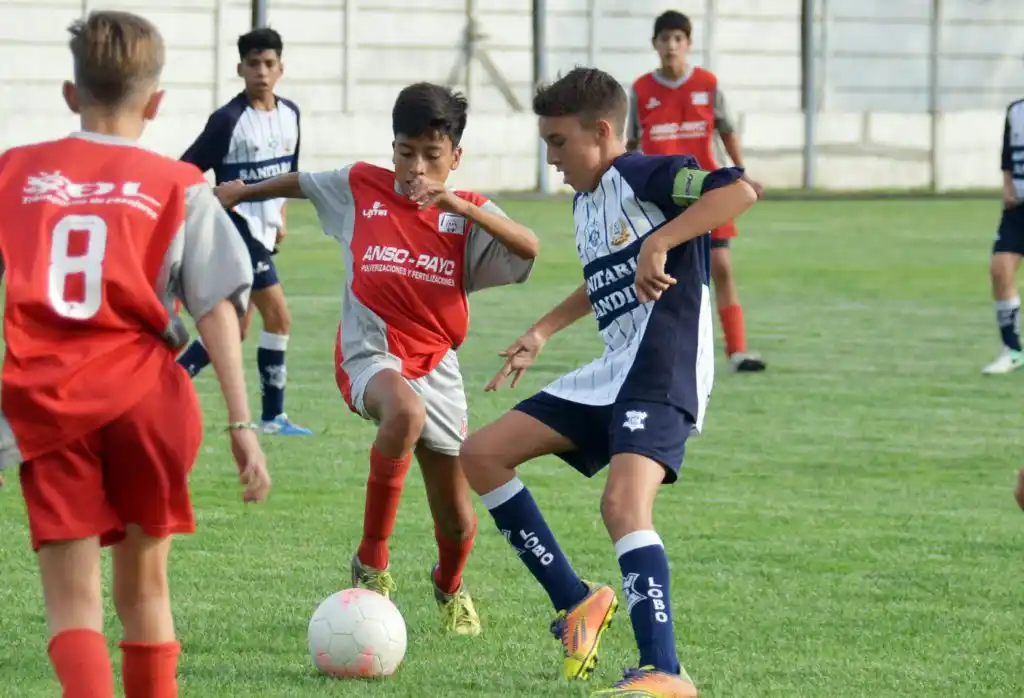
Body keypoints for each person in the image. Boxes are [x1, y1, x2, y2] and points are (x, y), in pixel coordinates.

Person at [459, 67, 757, 697]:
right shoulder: (587, 200)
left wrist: (665, 240)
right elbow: (607, 277)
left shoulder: (644, 173)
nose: (552, 158)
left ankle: (665, 672)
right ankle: (575, 604)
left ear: (601, 131)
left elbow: (737, 191)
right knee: (482, 454)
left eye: (559, 143)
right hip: (614, 369)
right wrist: (543, 329)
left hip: (663, 365)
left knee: (622, 504)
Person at [0, 11, 271, 698]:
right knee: (146, 590)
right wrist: (244, 425)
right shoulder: (179, 184)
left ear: (70, 93)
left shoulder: (15, 172)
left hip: (48, 401)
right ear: (155, 104)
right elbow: (218, 310)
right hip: (149, 401)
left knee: (73, 603)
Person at [214, 82, 539, 636]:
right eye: (405, 152)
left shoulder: (468, 215)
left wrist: (456, 204)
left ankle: (449, 586)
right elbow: (304, 181)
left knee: (458, 522)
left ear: (454, 158)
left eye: (432, 156)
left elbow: (528, 245)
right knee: (404, 414)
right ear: (392, 148)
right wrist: (243, 192)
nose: (416, 168)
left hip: (436, 368)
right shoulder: (362, 186)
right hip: (370, 355)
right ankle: (371, 564)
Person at [174, 27, 312, 434]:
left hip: (264, 231)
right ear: (240, 68)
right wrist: (209, 204)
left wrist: (281, 214)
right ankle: (273, 417)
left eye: (269, 64)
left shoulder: (291, 115)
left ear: (281, 68)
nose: (261, 72)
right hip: (236, 230)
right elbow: (184, 171)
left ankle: (169, 383)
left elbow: (288, 171)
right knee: (279, 317)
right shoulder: (227, 120)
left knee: (236, 327)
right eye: (253, 64)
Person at [627, 10, 766, 373]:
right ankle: (649, 350)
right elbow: (630, 143)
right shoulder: (641, 89)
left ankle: (737, 350)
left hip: (707, 191)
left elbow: (727, 131)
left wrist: (744, 174)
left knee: (721, 266)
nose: (671, 46)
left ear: (688, 44)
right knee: (658, 271)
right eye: (664, 39)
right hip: (660, 196)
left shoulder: (707, 84)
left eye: (678, 39)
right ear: (655, 44)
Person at [982, 97, 1024, 374]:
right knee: (1000, 269)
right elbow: (1008, 154)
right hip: (1018, 209)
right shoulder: (1015, 110)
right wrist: (1007, 184)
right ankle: (1013, 349)